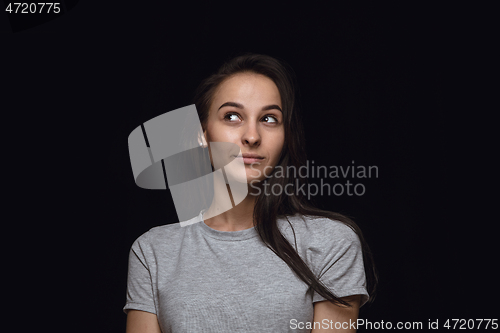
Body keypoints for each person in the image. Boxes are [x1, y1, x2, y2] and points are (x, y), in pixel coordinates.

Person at [123, 53, 377, 332]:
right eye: (232, 117)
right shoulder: (154, 251)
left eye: (269, 119)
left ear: (286, 136)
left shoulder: (330, 242)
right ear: (203, 135)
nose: (252, 136)